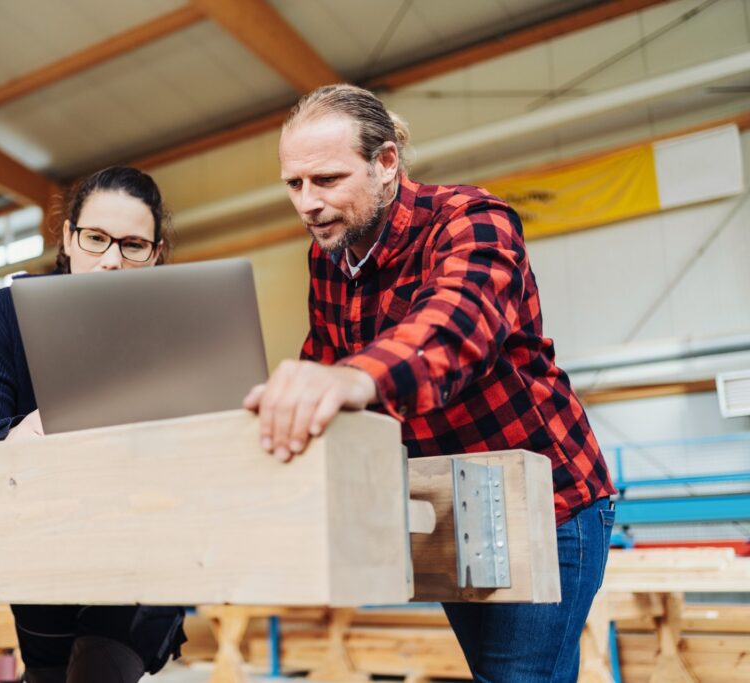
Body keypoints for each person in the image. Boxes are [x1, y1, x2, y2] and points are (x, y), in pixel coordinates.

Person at [243, 84, 616, 682]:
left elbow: (457, 326)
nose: (308, 204)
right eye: (295, 184)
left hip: (549, 502)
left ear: (386, 163)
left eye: (329, 180)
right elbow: (323, 358)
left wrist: (349, 379)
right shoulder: (329, 259)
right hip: (457, 503)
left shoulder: (472, 220)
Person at [0, 166, 186, 683]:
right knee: (47, 673)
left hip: (144, 557)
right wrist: (11, 437)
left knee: (98, 670)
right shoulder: (6, 315)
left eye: (134, 246)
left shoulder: (184, 331)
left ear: (155, 254)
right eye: (95, 238)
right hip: (43, 556)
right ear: (68, 238)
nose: (112, 260)